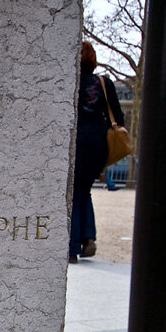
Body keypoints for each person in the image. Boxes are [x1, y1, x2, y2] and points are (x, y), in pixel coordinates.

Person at [71, 41, 125, 263]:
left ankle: (72, 246)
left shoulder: (70, 82)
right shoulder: (104, 83)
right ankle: (88, 237)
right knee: (84, 190)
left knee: (73, 192)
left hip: (76, 141)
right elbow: (118, 118)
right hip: (97, 143)